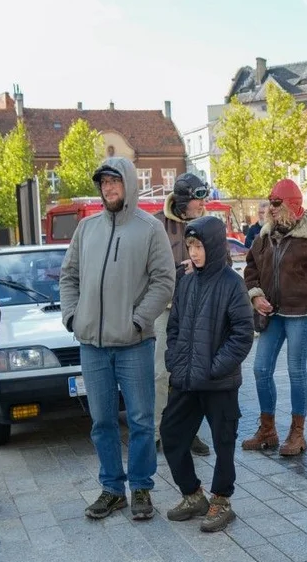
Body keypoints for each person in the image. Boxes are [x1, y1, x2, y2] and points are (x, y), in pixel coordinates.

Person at [60, 157, 175, 520]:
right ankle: (112, 488)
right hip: (92, 345)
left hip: (134, 344)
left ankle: (141, 487)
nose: (108, 188)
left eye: (115, 182)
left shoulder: (149, 228)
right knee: (102, 421)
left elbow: (163, 281)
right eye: (103, 183)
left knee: (141, 420)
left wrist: (138, 321)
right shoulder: (87, 228)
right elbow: (69, 276)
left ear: (128, 184)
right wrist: (73, 316)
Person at [161, 216, 253, 533]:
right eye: (190, 246)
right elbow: (174, 328)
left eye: (199, 246)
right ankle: (193, 495)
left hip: (218, 383)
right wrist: (174, 359)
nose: (194, 252)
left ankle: (221, 500)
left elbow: (242, 334)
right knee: (171, 434)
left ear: (213, 245)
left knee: (223, 442)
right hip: (186, 380)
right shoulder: (187, 282)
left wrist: (214, 368)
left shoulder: (231, 283)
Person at [241, 179, 307, 456]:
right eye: (271, 203)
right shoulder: (265, 235)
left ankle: (298, 433)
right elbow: (251, 268)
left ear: (292, 205)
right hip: (272, 314)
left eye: (277, 203)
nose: (271, 208)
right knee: (260, 369)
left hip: (300, 313)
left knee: (296, 371)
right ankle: (268, 429)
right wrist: (256, 295)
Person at [153, 173, 212, 457]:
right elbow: (145, 268)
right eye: (198, 200)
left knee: (194, 373)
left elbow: (221, 261)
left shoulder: (209, 224)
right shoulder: (155, 224)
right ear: (182, 200)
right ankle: (155, 432)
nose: (203, 204)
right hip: (165, 308)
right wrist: (178, 273)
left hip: (198, 310)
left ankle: (191, 434)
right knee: (161, 373)